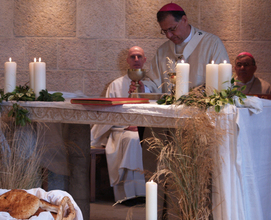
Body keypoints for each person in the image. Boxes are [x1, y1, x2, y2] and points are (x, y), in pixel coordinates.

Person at [91, 46, 154, 203]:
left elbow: (155, 111)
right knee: (132, 138)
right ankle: (128, 195)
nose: (136, 60)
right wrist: (127, 125)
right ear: (127, 61)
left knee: (137, 138)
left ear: (145, 60)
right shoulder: (115, 85)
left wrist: (142, 91)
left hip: (144, 131)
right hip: (120, 131)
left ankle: (143, 194)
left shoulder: (151, 86)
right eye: (133, 57)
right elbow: (108, 113)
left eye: (140, 56)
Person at [146, 3, 229, 93]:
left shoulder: (212, 44)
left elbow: (223, 82)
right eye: (165, 31)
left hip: (201, 106)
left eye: (172, 29)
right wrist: (144, 88)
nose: (168, 35)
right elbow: (154, 82)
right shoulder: (162, 51)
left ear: (184, 20)